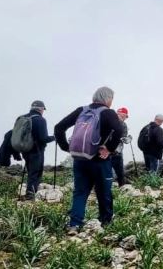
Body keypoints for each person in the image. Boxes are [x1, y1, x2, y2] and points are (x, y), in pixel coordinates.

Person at [54, 86, 126, 234]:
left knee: (80, 192)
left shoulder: (82, 110)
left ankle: (74, 224)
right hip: (99, 159)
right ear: (108, 99)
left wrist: (66, 147)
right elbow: (119, 130)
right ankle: (105, 222)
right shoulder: (108, 112)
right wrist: (109, 149)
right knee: (104, 191)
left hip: (80, 158)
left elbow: (59, 127)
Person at [18, 100, 54, 200]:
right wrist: (54, 137)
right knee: (36, 173)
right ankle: (30, 195)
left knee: (30, 172)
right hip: (36, 150)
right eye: (43, 110)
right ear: (41, 109)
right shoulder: (40, 120)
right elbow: (43, 139)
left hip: (24, 149)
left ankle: (29, 193)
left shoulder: (22, 118)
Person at [110, 107, 131, 187]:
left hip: (105, 151)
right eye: (125, 116)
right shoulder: (123, 124)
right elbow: (124, 139)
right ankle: (121, 187)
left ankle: (106, 188)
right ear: (124, 115)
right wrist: (128, 139)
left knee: (107, 171)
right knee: (120, 172)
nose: (125, 118)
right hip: (117, 152)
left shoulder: (108, 121)